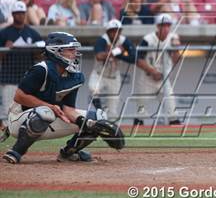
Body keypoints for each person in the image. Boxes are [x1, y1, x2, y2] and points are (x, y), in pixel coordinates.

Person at [2, 32, 125, 164]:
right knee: (46, 112)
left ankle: (69, 153)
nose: (75, 53)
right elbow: (19, 97)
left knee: (98, 117)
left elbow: (68, 110)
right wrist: (49, 106)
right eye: (71, 49)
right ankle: (16, 151)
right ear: (56, 51)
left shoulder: (75, 76)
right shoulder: (41, 70)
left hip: (49, 118)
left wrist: (89, 124)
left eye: (75, 50)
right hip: (18, 119)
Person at [135, 13, 181, 125]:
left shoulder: (173, 38)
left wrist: (176, 49)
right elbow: (138, 59)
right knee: (140, 111)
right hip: (147, 78)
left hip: (163, 79)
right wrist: (152, 71)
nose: (165, 28)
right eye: (162, 25)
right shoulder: (147, 39)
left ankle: (177, 138)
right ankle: (137, 136)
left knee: (172, 111)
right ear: (157, 26)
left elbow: (176, 60)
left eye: (167, 25)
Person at [0, 1, 43, 119]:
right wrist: (5, 49)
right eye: (17, 13)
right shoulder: (4, 33)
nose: (20, 15)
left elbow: (41, 54)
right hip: (9, 78)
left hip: (27, 79)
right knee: (8, 112)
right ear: (13, 14)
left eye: (22, 13)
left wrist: (35, 50)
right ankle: (6, 135)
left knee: (26, 112)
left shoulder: (32, 32)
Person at [89, 20, 136, 118]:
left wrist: (118, 55)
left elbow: (133, 57)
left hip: (114, 76)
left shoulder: (123, 40)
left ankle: (111, 129)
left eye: (118, 31)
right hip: (99, 73)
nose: (115, 33)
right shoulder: (103, 40)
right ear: (108, 32)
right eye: (112, 31)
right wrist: (116, 51)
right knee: (94, 90)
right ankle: (100, 111)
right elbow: (99, 56)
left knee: (113, 109)